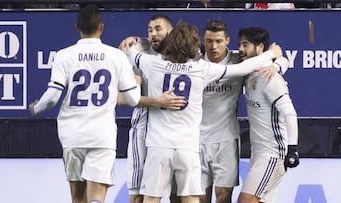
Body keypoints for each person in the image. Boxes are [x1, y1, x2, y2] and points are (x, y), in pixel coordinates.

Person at [125, 22, 283, 203]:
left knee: (152, 198)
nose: (212, 46)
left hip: (162, 145)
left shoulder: (152, 64)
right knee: (193, 198)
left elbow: (130, 53)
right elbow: (241, 69)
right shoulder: (201, 68)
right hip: (190, 146)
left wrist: (137, 41)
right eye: (206, 41)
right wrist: (272, 54)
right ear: (197, 44)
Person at [28, 5, 141, 203]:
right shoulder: (117, 57)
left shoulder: (64, 55)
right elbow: (132, 99)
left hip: (72, 134)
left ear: (77, 27)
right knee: (96, 198)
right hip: (101, 135)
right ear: (102, 28)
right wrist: (137, 81)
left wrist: (36, 107)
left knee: (77, 198)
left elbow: (53, 96)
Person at [199, 20, 289, 203]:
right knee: (200, 198)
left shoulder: (237, 59)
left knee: (224, 197)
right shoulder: (197, 62)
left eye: (218, 41)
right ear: (203, 40)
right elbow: (166, 48)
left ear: (226, 40)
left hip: (226, 140)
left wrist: (277, 64)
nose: (213, 46)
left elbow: (281, 57)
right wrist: (137, 39)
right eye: (209, 41)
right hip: (197, 140)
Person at [119, 14, 184, 203]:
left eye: (158, 29)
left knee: (178, 195)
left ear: (170, 32)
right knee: (139, 196)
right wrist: (157, 101)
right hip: (144, 132)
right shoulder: (140, 54)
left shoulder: (184, 55)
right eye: (150, 30)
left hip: (174, 132)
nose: (153, 34)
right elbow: (124, 99)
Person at [237, 27, 299, 203]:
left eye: (245, 44)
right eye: (239, 44)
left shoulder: (271, 78)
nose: (241, 49)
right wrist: (278, 63)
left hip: (273, 153)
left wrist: (293, 149)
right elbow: (283, 60)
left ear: (260, 47)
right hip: (258, 152)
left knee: (246, 200)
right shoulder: (248, 71)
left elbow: (290, 114)